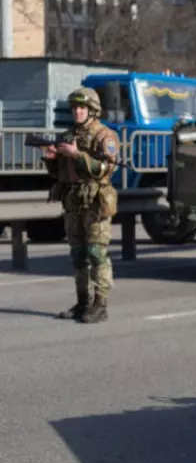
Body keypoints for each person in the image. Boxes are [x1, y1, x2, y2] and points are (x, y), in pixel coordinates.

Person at [42, 87, 120, 324]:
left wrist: (77, 155)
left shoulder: (103, 136)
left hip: (95, 201)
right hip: (73, 201)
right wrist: (50, 159)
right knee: (78, 254)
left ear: (92, 110)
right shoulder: (67, 136)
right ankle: (83, 301)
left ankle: (100, 304)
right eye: (75, 108)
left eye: (82, 108)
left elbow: (106, 168)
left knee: (96, 253)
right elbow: (60, 174)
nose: (77, 112)